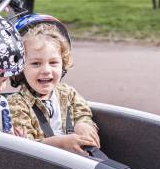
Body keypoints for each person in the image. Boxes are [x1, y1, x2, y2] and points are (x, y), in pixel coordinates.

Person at [7, 15, 101, 155]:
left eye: (53, 63)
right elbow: (26, 147)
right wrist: (62, 143)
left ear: (63, 63)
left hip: (82, 161)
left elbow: (83, 113)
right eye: (36, 63)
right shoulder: (17, 104)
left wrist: (84, 124)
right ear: (20, 67)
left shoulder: (68, 93)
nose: (46, 70)